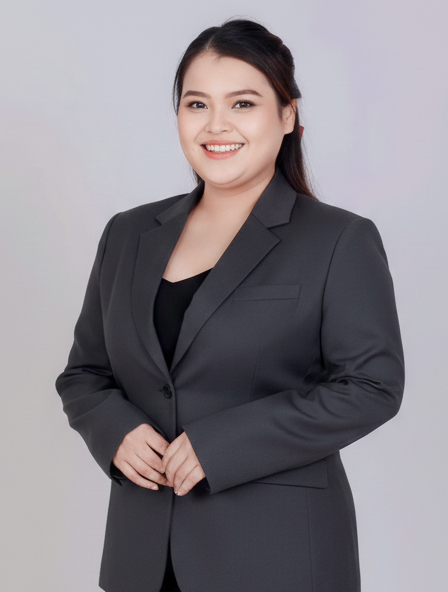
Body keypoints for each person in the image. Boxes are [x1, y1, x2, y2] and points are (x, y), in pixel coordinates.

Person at [55, 17, 405, 592]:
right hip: (141, 557)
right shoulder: (128, 233)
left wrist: (221, 446)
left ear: (287, 115)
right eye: (197, 104)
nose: (216, 125)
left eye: (243, 103)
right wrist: (115, 430)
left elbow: (372, 386)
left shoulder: (338, 239)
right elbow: (84, 374)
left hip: (277, 557)